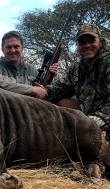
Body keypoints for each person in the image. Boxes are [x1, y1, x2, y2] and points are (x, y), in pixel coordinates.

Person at [46, 24, 110, 174]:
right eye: (82, 42)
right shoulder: (76, 67)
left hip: (103, 116)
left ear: (100, 41)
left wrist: (88, 123)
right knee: (59, 102)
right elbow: (61, 89)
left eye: (91, 41)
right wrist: (42, 92)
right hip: (89, 117)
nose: (87, 45)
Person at [0, 30, 58, 99]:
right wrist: (32, 90)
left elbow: (42, 91)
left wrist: (50, 77)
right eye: (8, 47)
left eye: (16, 47)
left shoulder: (31, 69)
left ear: (22, 48)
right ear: (3, 50)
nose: (12, 50)